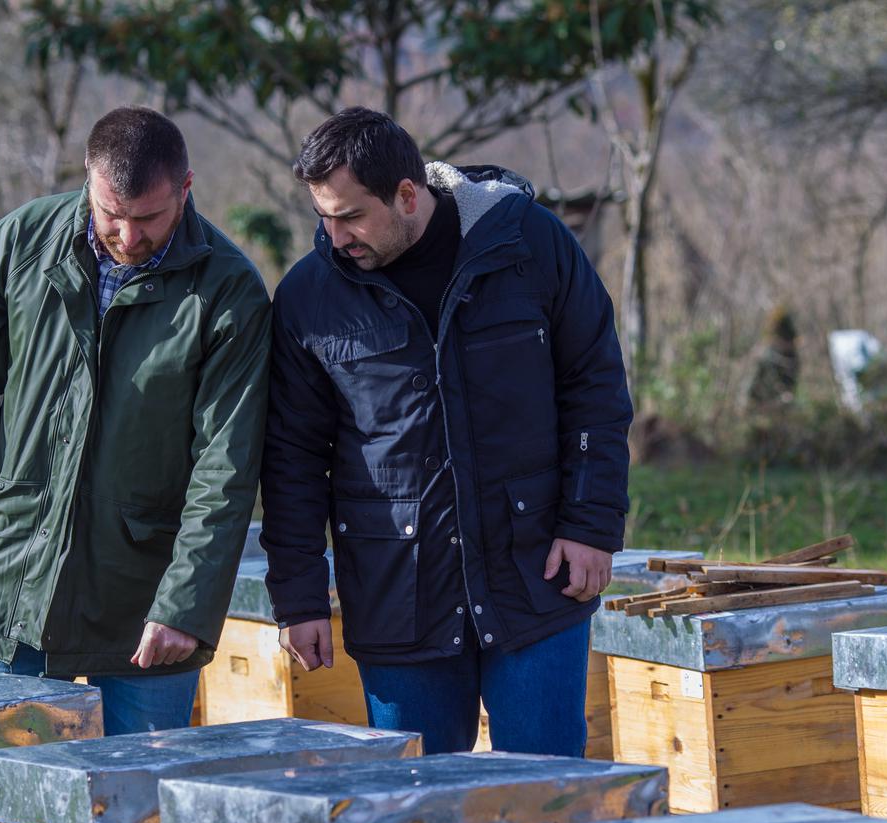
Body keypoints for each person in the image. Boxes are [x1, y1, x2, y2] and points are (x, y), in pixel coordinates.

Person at [261, 107, 632, 755]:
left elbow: (594, 388)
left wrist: (591, 526)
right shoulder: (308, 297)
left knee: (547, 801)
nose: (335, 233)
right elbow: (292, 457)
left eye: (351, 215)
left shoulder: (529, 244)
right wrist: (298, 595)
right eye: (323, 214)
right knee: (419, 810)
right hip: (397, 596)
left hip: (536, 578)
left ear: (408, 195)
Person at [0, 106, 270, 735]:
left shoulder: (229, 293)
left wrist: (186, 604)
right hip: (12, 573)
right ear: (87, 180)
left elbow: (225, 469)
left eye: (146, 218)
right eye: (109, 214)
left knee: (143, 810)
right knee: (13, 806)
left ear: (186, 187)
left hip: (146, 599)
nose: (125, 235)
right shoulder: (19, 242)